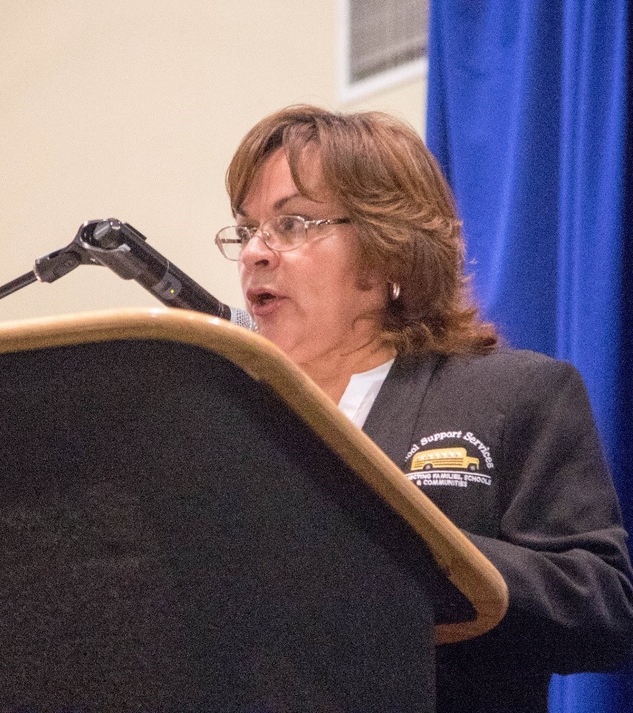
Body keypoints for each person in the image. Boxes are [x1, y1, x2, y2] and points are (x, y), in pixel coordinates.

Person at [215, 104, 633, 712]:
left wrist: (409, 558)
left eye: (295, 223)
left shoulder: (516, 394)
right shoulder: (225, 418)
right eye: (247, 229)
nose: (256, 252)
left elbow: (603, 608)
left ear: (389, 249)